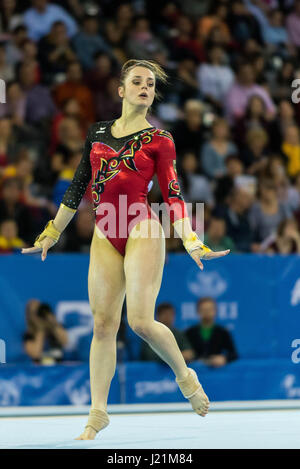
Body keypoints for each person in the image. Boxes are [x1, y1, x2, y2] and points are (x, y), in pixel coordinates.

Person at [22, 59, 230, 440]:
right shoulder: (97, 132)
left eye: (150, 83)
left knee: (139, 322)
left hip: (141, 227)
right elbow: (77, 186)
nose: (144, 87)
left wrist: (191, 239)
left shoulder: (160, 140)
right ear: (121, 90)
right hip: (104, 232)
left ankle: (185, 376)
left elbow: (174, 194)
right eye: (137, 81)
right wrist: (51, 232)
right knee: (103, 325)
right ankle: (97, 413)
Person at [185, 297, 238, 367]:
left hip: (216, 372)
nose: (207, 312)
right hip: (194, 371)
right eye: (203, 309)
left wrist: (224, 358)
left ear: (215, 311)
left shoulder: (223, 332)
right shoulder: (189, 332)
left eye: (210, 309)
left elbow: (234, 353)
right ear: (198, 311)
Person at [23, 300, 68, 364]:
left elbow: (65, 341)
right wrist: (40, 330)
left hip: (58, 369)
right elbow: (35, 354)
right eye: (34, 312)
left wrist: (52, 322)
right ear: (29, 316)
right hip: (40, 370)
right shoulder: (29, 335)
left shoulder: (55, 328)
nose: (38, 315)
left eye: (39, 311)